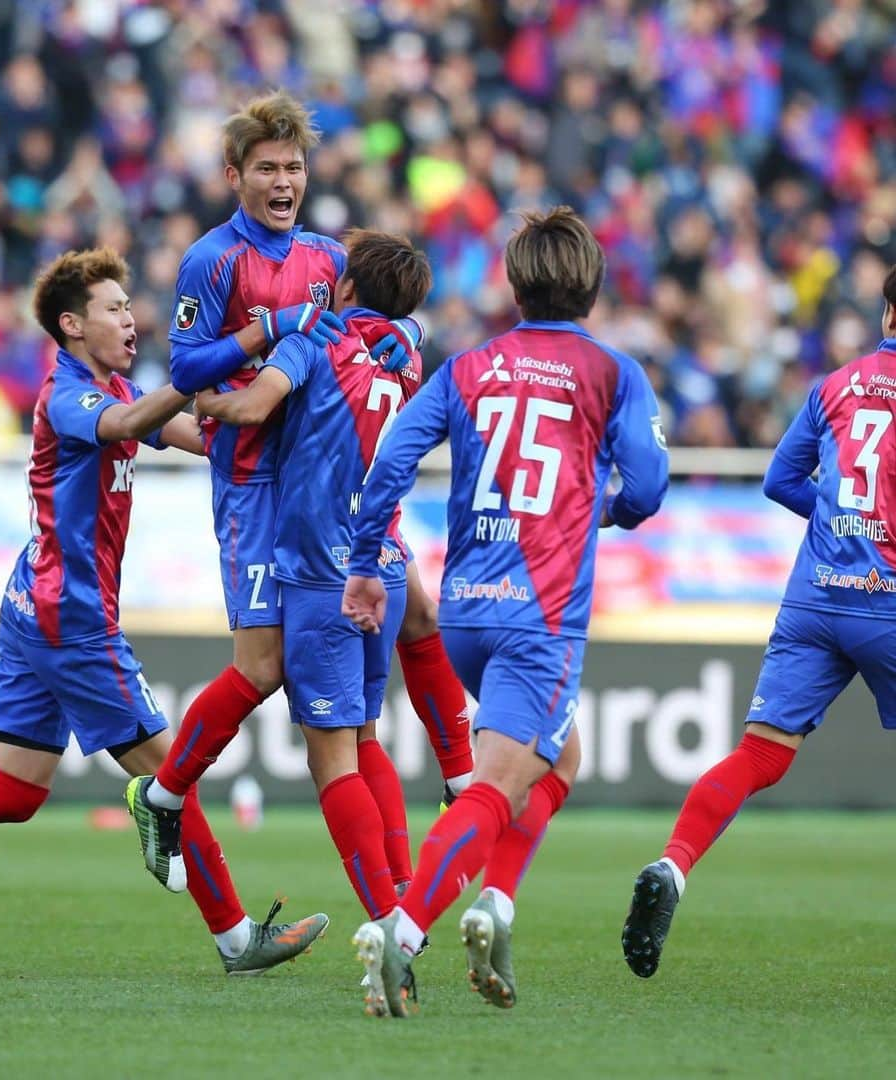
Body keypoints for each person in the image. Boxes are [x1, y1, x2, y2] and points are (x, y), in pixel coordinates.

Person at [0, 248, 327, 975]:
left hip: (33, 603)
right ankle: (236, 938)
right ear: (72, 325)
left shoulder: (110, 383)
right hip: (72, 619)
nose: (130, 317)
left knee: (15, 791)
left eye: (127, 305)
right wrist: (242, 343)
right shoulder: (68, 395)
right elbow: (131, 422)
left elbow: (194, 435)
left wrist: (259, 404)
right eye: (114, 308)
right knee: (170, 781)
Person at [128, 90, 473, 891]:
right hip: (254, 484)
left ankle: (454, 789)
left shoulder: (327, 259)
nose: (284, 182)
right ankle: (166, 796)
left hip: (329, 482)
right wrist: (267, 331)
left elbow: (379, 327)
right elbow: (184, 368)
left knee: (412, 612)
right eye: (267, 169)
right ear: (234, 175)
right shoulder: (212, 259)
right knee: (264, 666)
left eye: (294, 167)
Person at [343, 207, 669, 1018]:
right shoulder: (613, 371)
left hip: (465, 614)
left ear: (515, 285)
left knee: (560, 762)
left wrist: (362, 564)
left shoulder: (467, 367)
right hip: (541, 614)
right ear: (590, 285)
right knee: (495, 786)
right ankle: (404, 931)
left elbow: (391, 462)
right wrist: (604, 513)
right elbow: (651, 486)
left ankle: (499, 904)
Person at [622, 264, 896, 980]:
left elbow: (779, 480)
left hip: (815, 596)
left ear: (888, 317)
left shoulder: (835, 385)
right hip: (887, 597)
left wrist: (841, 523)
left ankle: (673, 866)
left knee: (762, 755)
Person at [194, 229, 431, 914]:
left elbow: (250, 406)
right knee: (364, 735)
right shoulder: (406, 359)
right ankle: (407, 893)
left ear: (346, 290)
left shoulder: (315, 339)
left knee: (333, 759)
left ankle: (390, 925)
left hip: (322, 575)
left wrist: (204, 402)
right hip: (383, 564)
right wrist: (410, 329)